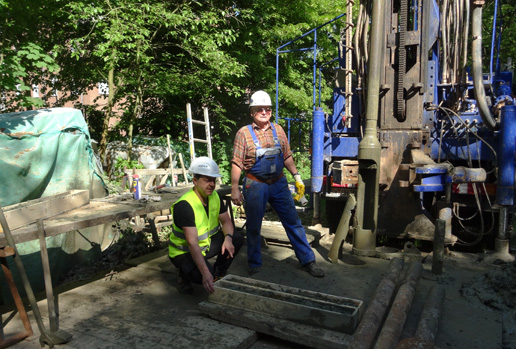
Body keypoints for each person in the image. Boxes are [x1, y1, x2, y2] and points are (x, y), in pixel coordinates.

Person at [231, 90, 324, 278]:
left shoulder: (278, 130)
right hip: (255, 185)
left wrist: (296, 176)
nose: (264, 111)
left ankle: (308, 260)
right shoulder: (244, 133)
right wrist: (234, 188)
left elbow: (287, 155)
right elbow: (236, 163)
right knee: (254, 226)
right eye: (259, 109)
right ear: (252, 112)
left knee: (293, 222)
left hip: (279, 184)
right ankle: (254, 264)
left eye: (267, 109)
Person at [169, 157, 243, 294]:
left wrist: (227, 238)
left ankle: (218, 272)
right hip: (184, 252)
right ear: (195, 181)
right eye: (207, 180)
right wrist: (205, 273)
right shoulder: (185, 205)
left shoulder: (214, 196)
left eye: (214, 180)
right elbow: (192, 243)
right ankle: (183, 274)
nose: (212, 184)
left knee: (236, 238)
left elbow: (226, 222)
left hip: (205, 245)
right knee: (202, 277)